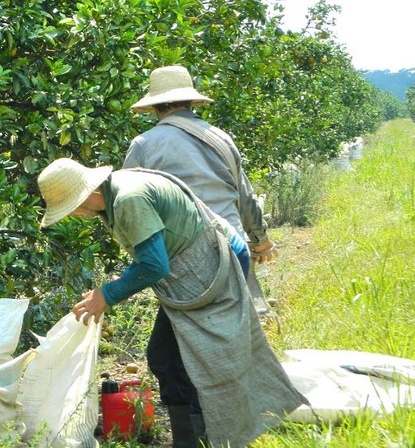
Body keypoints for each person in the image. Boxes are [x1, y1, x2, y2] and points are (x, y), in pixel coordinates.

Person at [37, 158, 306, 448]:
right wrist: (108, 290)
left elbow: (154, 266)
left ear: (87, 194)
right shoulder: (116, 193)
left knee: (198, 360)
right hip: (194, 268)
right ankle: (194, 439)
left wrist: (107, 294)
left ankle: (212, 438)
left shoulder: (129, 200)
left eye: (72, 207)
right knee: (166, 357)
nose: (74, 215)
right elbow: (149, 254)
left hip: (212, 265)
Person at [123, 65, 278, 313]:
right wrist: (260, 241)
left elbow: (127, 206)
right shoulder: (220, 137)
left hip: (185, 261)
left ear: (154, 107)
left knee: (183, 343)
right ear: (191, 101)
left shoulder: (143, 145)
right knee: (230, 330)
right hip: (234, 249)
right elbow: (244, 197)